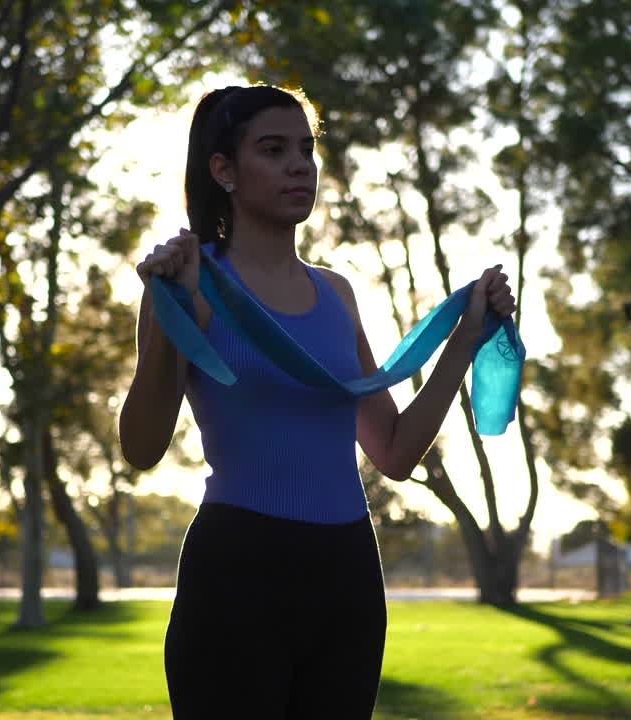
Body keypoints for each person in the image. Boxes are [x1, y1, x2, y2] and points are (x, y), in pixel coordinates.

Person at [118, 84, 516, 720]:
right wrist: (167, 315)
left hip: (346, 570)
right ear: (223, 169)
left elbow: (393, 451)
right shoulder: (187, 284)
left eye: (305, 149)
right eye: (273, 150)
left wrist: (464, 341)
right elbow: (140, 449)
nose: (299, 165)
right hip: (237, 569)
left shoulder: (338, 295)